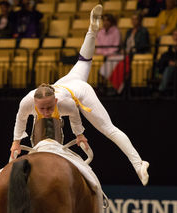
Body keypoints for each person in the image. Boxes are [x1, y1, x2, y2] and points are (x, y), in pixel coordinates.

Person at [10, 5, 150, 186]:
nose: (45, 112)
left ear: (56, 102)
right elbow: (20, 120)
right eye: (41, 108)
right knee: (84, 60)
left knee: (109, 129)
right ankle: (92, 29)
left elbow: (75, 115)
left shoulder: (65, 104)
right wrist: (15, 143)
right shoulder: (26, 102)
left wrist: (80, 134)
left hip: (79, 91)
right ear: (34, 103)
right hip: (66, 81)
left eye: (49, 108)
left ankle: (139, 164)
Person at [99, 12, 150, 93]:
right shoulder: (129, 31)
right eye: (132, 19)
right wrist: (123, 49)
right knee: (112, 59)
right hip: (126, 53)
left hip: (135, 53)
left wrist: (132, 50)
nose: (134, 21)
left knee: (120, 63)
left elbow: (144, 45)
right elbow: (125, 44)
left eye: (136, 19)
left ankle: (118, 87)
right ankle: (111, 86)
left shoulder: (143, 31)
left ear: (140, 20)